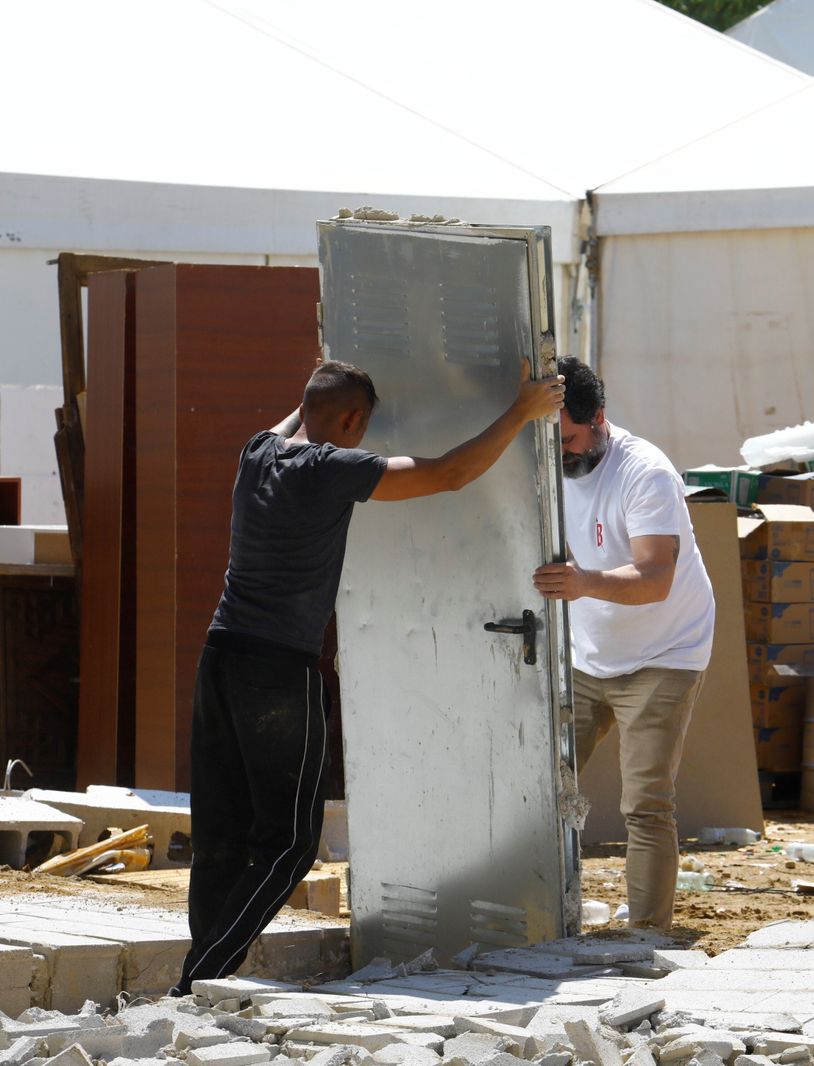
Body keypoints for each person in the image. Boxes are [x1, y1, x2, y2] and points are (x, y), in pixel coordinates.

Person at [176, 358, 565, 994]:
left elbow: (301, 415)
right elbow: (450, 473)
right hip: (278, 669)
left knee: (222, 835)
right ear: (354, 421)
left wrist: (316, 391)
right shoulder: (332, 469)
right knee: (290, 844)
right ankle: (202, 979)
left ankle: (200, 976)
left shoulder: (256, 453)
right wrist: (522, 410)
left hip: (221, 656)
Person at [531, 357, 715, 931]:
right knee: (538, 790)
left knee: (645, 804)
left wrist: (584, 583)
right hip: (587, 655)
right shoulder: (541, 460)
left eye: (568, 437)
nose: (558, 451)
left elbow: (656, 578)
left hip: (664, 654)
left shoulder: (646, 473)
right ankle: (534, 917)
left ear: (600, 418)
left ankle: (645, 937)